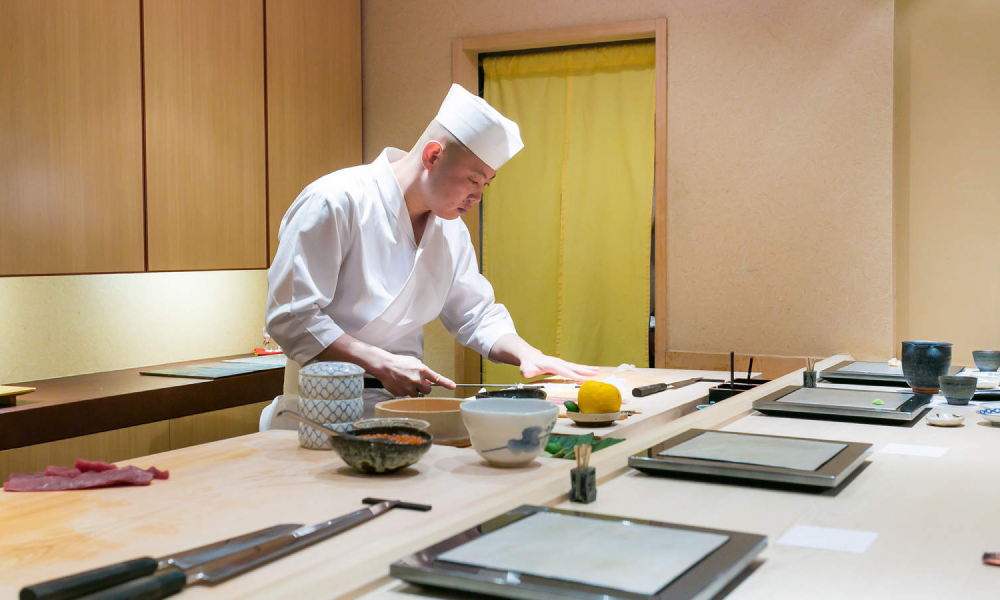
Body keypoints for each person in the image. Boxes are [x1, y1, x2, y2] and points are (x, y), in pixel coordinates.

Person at [260, 84, 597, 429]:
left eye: (486, 185)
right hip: (317, 410)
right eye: (473, 180)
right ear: (433, 156)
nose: (477, 197)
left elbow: (475, 314)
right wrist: (381, 363)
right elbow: (291, 316)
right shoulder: (335, 201)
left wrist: (528, 354)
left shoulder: (450, 229)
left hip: (401, 412)